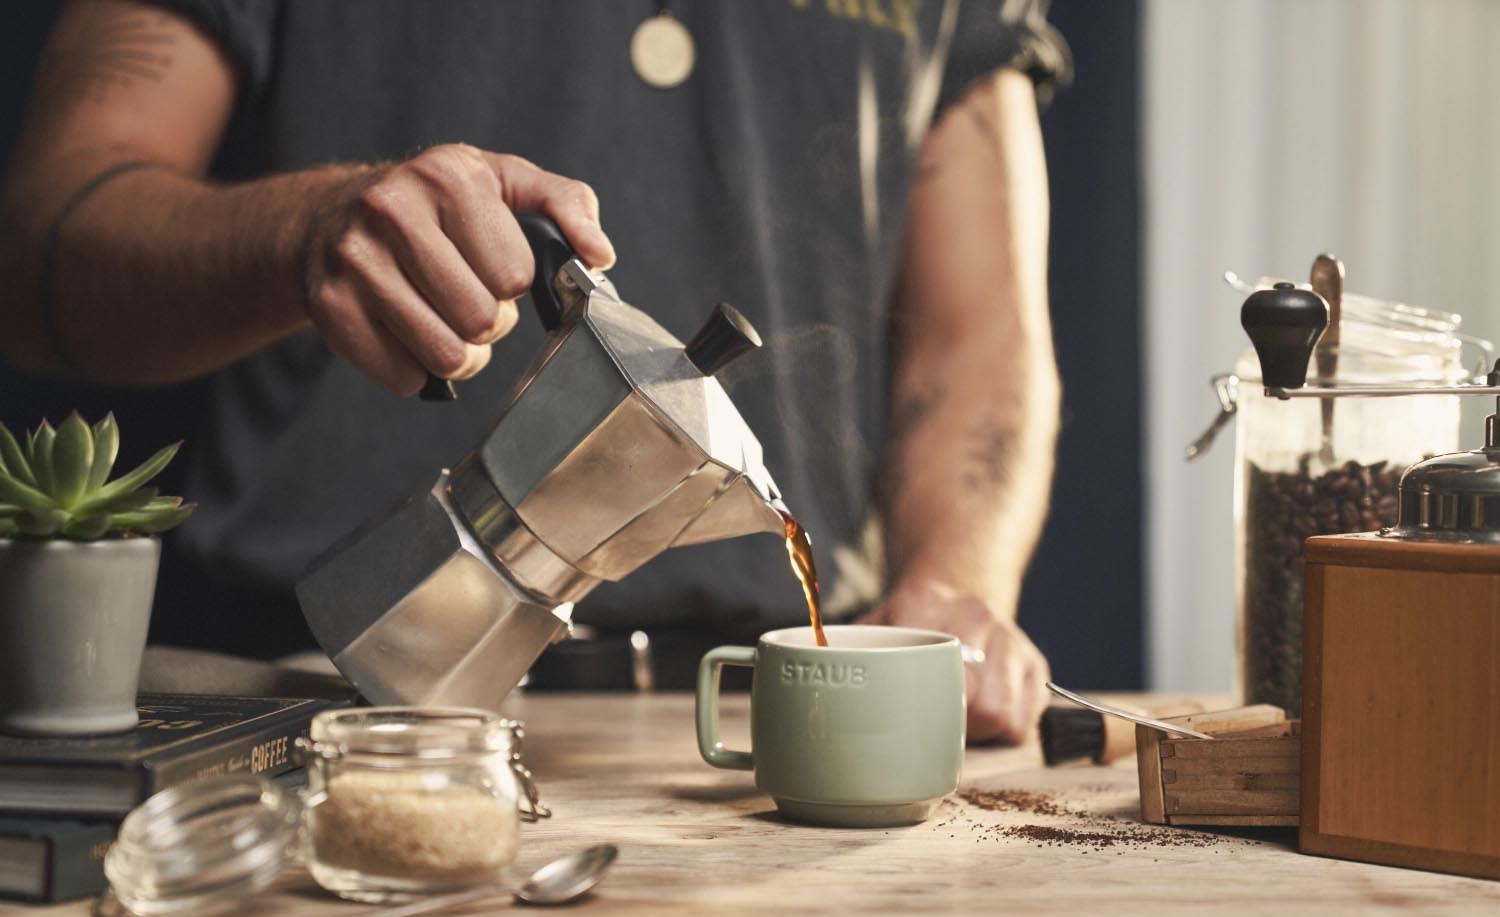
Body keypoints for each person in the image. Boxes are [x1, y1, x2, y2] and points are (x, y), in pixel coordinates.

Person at [0, 0, 1070, 744]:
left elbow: (980, 336)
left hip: (745, 713)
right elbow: (37, 243)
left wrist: (959, 589)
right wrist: (304, 233)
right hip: (292, 698)